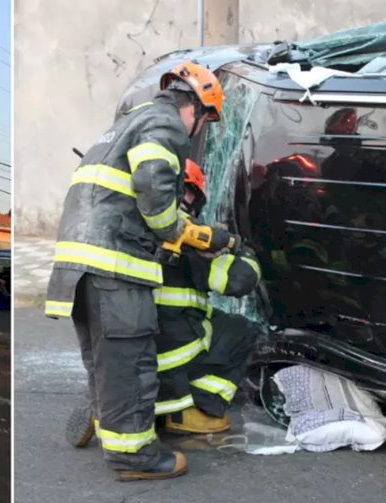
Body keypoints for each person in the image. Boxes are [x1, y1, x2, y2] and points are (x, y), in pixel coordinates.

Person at [45, 61, 225, 481]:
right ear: (196, 109)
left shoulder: (124, 124)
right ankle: (134, 457)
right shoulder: (166, 124)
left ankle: (116, 435)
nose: (201, 130)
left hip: (79, 267)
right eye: (207, 121)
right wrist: (177, 230)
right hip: (115, 265)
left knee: (105, 364)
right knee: (130, 362)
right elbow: (153, 187)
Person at [66, 160, 262, 448]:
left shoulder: (120, 228)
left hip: (123, 348)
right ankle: (190, 410)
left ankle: (109, 407)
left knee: (131, 360)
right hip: (171, 354)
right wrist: (242, 249)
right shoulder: (185, 233)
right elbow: (237, 281)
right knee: (243, 330)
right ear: (189, 194)